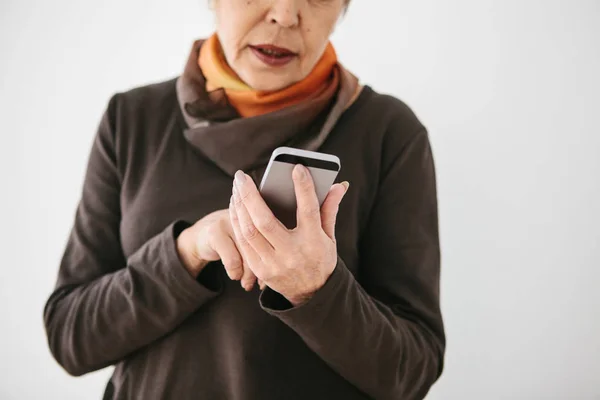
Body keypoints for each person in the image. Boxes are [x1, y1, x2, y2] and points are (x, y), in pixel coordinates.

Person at [43, 0, 445, 399]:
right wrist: (182, 256)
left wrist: (317, 290)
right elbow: (70, 337)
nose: (285, 15)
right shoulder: (130, 119)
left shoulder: (389, 133)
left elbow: (413, 371)